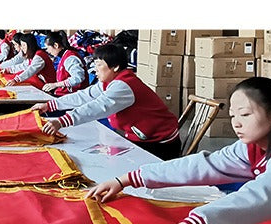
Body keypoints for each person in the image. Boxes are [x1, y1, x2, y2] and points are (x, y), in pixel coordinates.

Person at [85, 77, 271, 224]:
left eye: (245, 114)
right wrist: (126, 179)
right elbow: (203, 165)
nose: (236, 123)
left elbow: (260, 195)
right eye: (233, 115)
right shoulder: (251, 147)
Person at [31, 44, 180, 160]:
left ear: (115, 66)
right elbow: (85, 96)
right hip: (141, 136)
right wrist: (50, 105)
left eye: (99, 65)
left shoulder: (123, 86)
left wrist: (62, 121)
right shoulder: (110, 82)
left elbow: (97, 107)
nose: (95, 70)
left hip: (160, 144)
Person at [41, 31, 88, 96]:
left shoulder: (70, 58)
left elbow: (78, 78)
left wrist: (55, 85)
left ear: (56, 45)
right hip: (65, 94)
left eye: (47, 48)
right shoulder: (63, 57)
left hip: (73, 97)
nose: (47, 51)